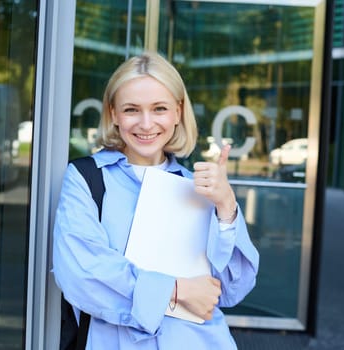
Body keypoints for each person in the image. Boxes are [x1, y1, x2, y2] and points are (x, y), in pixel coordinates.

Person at [52, 51, 259, 349]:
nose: (146, 124)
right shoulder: (86, 178)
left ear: (177, 112)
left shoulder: (196, 186)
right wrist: (177, 290)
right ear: (113, 113)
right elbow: (84, 275)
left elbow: (229, 290)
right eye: (132, 110)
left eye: (159, 108)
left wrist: (226, 206)